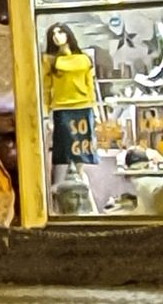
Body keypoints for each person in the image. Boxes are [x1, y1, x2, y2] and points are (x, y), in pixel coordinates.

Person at [43, 23, 101, 209]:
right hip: (61, 108)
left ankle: (84, 198)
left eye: (60, 32)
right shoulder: (50, 61)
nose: (57, 36)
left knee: (80, 152)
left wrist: (96, 110)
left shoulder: (83, 59)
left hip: (83, 106)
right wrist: (46, 114)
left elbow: (89, 85)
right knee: (63, 152)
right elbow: (45, 89)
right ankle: (59, 199)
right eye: (53, 34)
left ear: (68, 34)